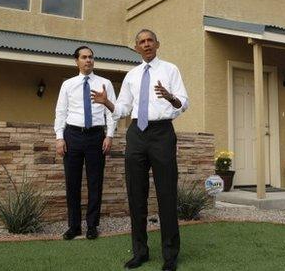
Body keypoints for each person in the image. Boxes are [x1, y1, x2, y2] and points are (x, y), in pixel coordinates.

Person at [91, 29, 188, 271]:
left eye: (150, 41)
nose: (146, 45)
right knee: (136, 194)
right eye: (142, 42)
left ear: (157, 44)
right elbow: (123, 107)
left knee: (166, 194)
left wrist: (170, 97)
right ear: (136, 47)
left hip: (162, 133)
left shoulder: (170, 70)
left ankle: (170, 255)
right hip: (136, 134)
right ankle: (140, 252)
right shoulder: (132, 75)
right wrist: (107, 102)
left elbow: (183, 103)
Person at [54, 46, 116, 240]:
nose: (88, 60)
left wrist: (110, 135)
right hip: (72, 135)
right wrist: (59, 137)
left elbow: (111, 112)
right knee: (72, 183)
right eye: (84, 57)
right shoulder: (68, 84)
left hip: (96, 137)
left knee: (95, 182)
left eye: (91, 57)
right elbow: (61, 112)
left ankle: (91, 225)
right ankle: (74, 226)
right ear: (77, 61)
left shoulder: (105, 83)